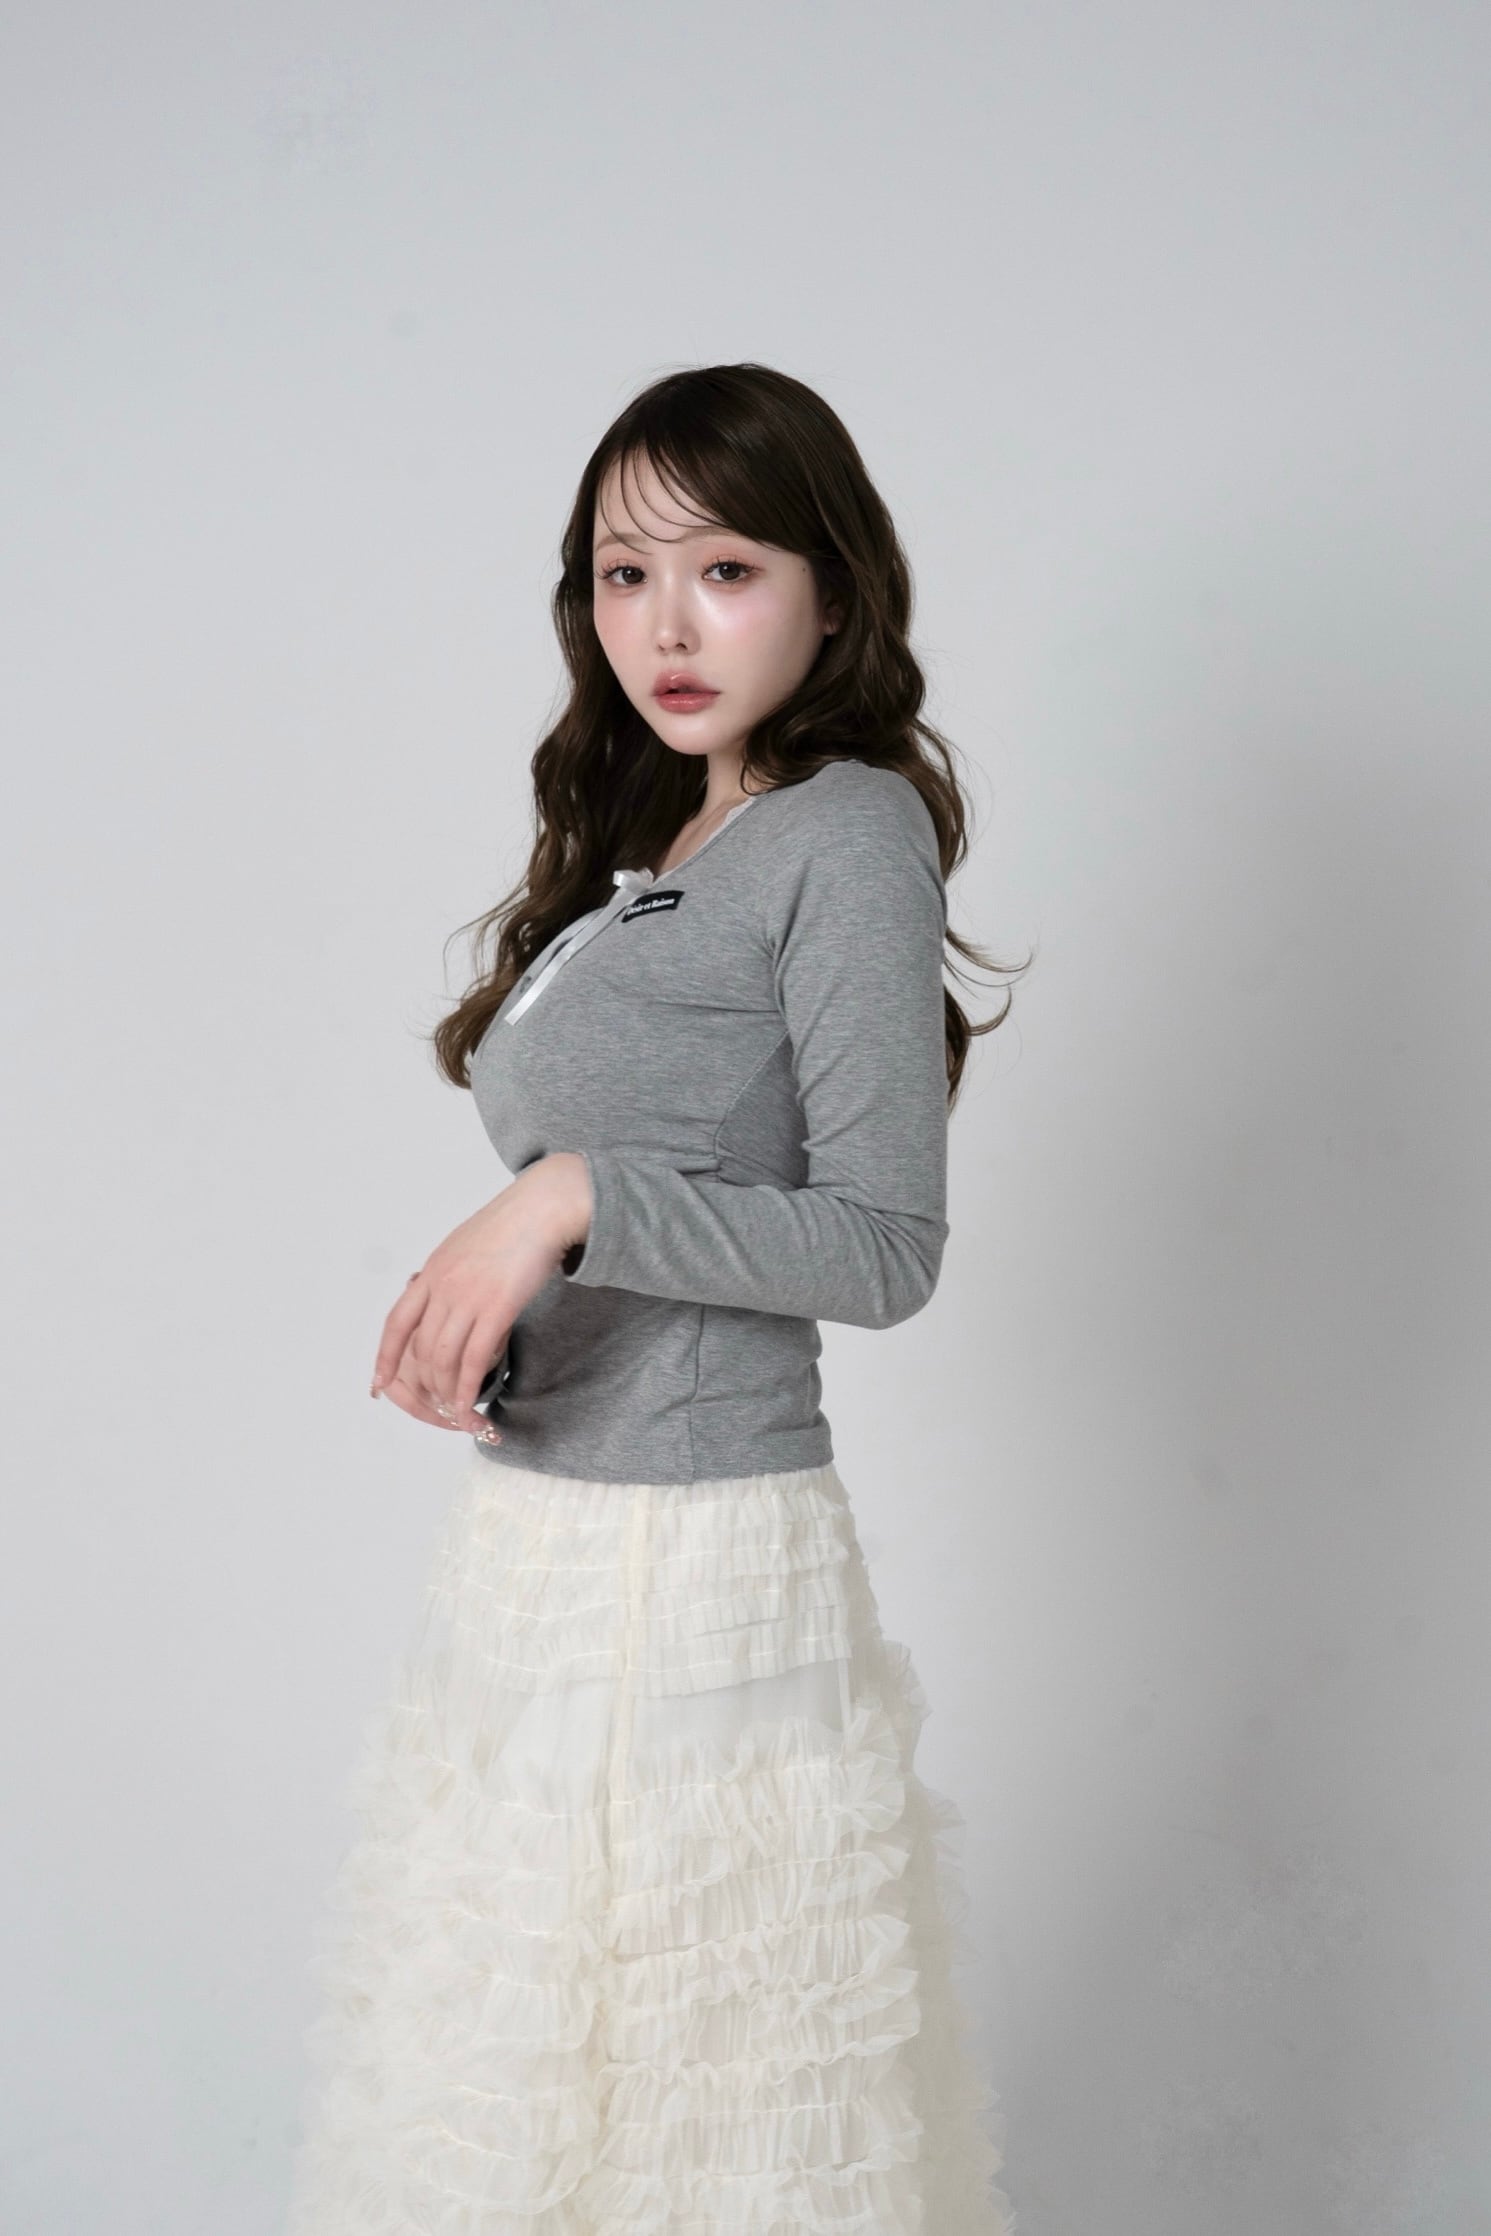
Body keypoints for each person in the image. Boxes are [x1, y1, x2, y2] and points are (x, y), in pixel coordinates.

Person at [285, 362, 1026, 2233]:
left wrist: (570, 1197)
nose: (668, 627)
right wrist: (509, 1288)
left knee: (704, 2115)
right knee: (523, 2092)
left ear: (833, 593)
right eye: (626, 574)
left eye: (728, 569)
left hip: (687, 1557)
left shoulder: (844, 829)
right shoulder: (667, 846)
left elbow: (883, 1244)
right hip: (549, 1535)